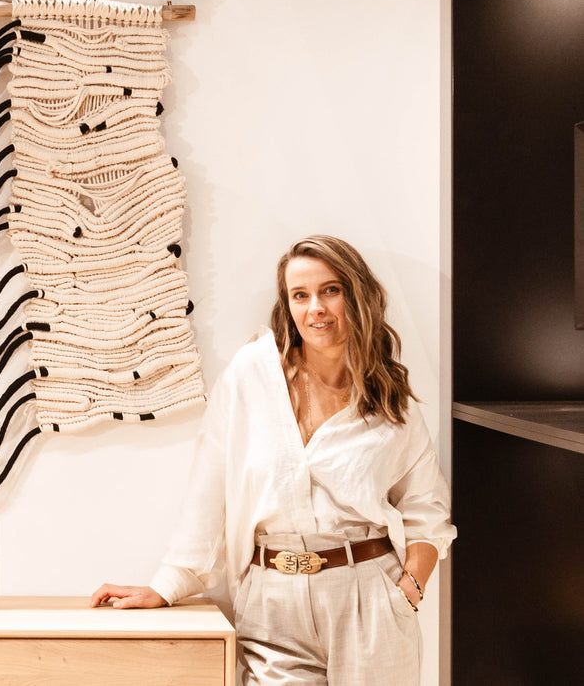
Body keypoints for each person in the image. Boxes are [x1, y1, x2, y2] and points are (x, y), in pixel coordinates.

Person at [91, 235, 456, 685]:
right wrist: (169, 584)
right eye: (300, 295)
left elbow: (426, 510)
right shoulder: (252, 375)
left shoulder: (389, 400)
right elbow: (210, 484)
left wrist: (408, 592)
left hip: (369, 598)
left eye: (330, 290)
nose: (315, 308)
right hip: (271, 602)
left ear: (356, 295)